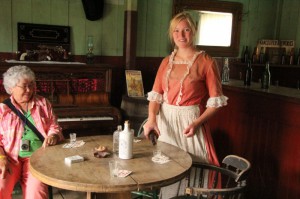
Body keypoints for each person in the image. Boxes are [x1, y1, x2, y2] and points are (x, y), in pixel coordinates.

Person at [143, 12, 228, 198]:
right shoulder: (166, 62)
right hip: (166, 123)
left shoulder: (206, 61)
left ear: (194, 31)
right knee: (168, 168)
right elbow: (156, 96)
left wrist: (197, 123)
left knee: (196, 166)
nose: (181, 35)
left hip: (191, 123)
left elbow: (216, 103)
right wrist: (151, 119)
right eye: (176, 31)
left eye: (186, 30)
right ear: (171, 34)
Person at [0, 65, 64, 199]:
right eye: (24, 86)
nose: (29, 90)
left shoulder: (43, 103)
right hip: (10, 158)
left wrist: (53, 135)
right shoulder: (3, 109)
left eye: (31, 85)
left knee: (37, 194)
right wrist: (1, 158)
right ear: (11, 88)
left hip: (36, 158)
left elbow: (54, 125)